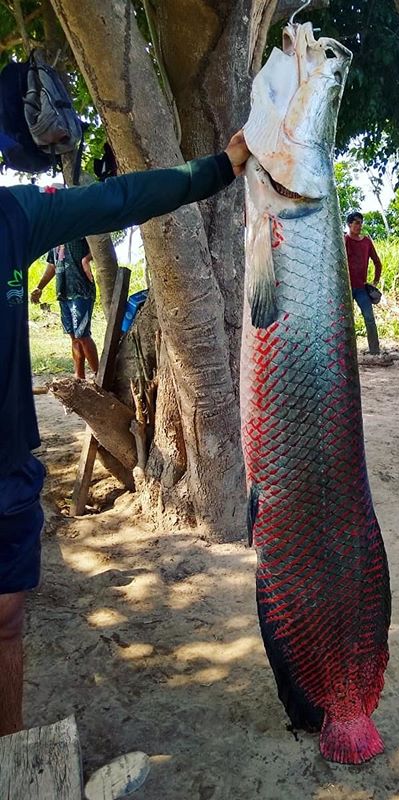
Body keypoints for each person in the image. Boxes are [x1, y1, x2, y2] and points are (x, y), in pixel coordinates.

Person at [0, 130, 250, 736]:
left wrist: (220, 167)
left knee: (6, 619)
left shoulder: (12, 215)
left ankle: (8, 761)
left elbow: (119, 199)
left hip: (5, 468)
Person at [31, 238, 99, 379]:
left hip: (81, 291)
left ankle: (100, 377)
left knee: (82, 335)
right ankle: (79, 377)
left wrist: (86, 259)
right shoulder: (55, 238)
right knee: (73, 337)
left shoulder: (79, 231)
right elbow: (52, 266)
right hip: (63, 293)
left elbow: (97, 245)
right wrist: (39, 287)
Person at [344, 211, 382, 356]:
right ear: (349, 224)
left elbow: (378, 263)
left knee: (369, 318)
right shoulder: (344, 240)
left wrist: (375, 282)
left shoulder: (366, 242)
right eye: (356, 223)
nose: (359, 226)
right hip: (345, 289)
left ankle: (374, 350)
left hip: (361, 288)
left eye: (361, 223)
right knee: (345, 322)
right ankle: (347, 352)